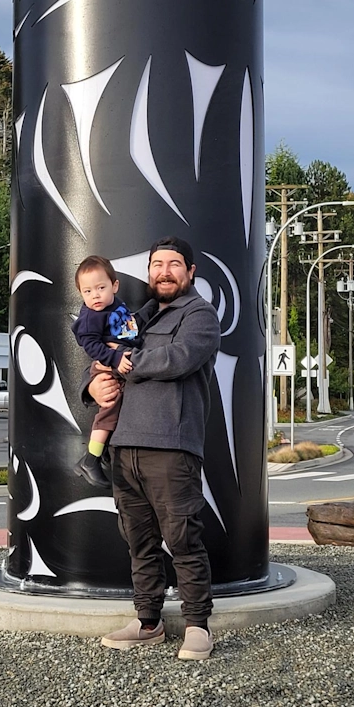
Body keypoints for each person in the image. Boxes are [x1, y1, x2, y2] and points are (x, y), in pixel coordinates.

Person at [82, 236, 221, 661]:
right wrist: (92, 385)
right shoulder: (136, 317)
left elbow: (177, 359)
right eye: (157, 264)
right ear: (148, 273)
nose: (164, 271)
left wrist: (129, 363)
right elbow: (103, 358)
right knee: (139, 540)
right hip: (124, 447)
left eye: (174, 264)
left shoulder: (199, 315)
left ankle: (198, 625)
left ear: (190, 272)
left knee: (182, 537)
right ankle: (148, 622)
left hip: (171, 445)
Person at [72, 255, 140, 488]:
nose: (95, 296)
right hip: (108, 365)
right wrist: (115, 357)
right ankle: (91, 458)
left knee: (119, 408)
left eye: (101, 288)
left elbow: (129, 327)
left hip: (118, 360)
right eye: (87, 291)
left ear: (115, 285)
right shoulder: (91, 316)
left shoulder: (116, 306)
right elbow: (90, 344)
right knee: (109, 408)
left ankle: (101, 453)